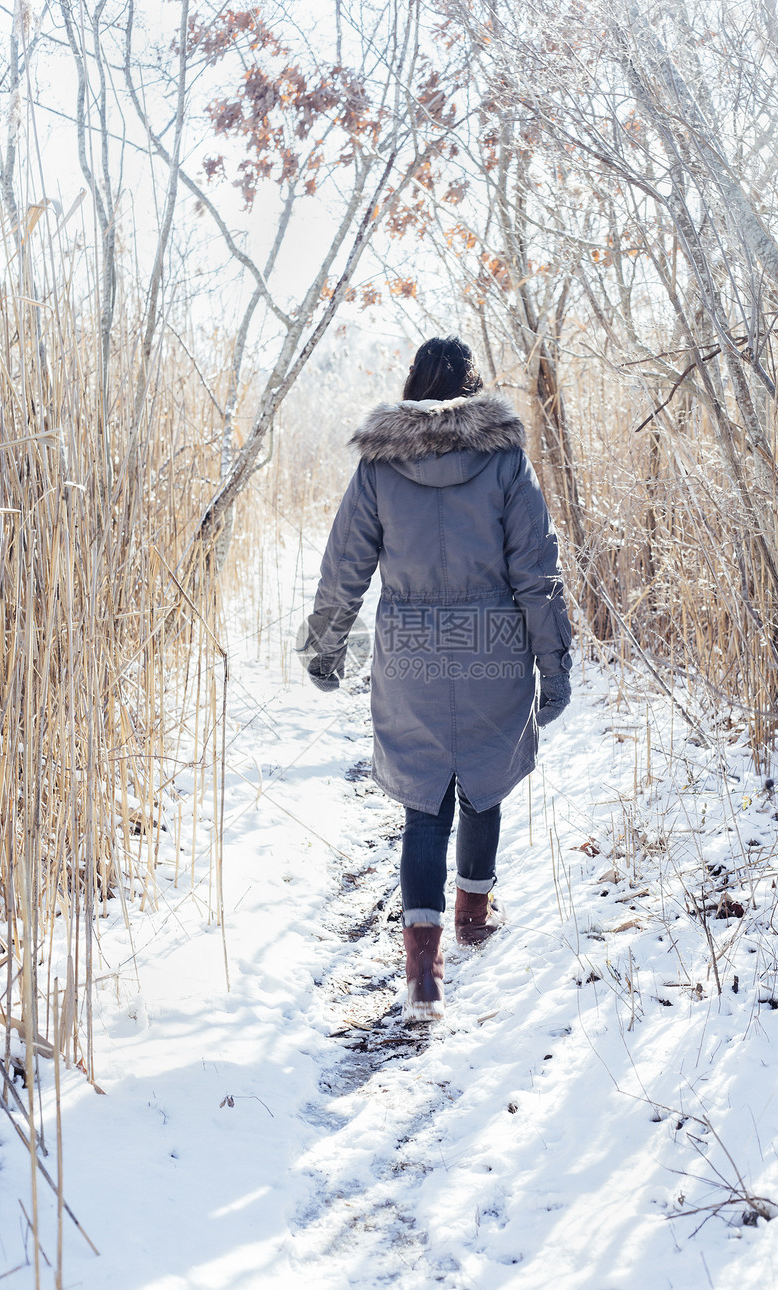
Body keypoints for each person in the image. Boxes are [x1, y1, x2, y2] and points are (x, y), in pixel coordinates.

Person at [299, 336, 572, 1021]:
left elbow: (345, 567)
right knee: (483, 779)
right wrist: (554, 665)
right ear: (474, 391)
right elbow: (538, 572)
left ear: (412, 386)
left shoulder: (379, 467)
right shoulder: (505, 460)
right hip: (492, 647)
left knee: (425, 802)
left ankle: (423, 971)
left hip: (412, 652)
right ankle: (473, 916)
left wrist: (325, 647)